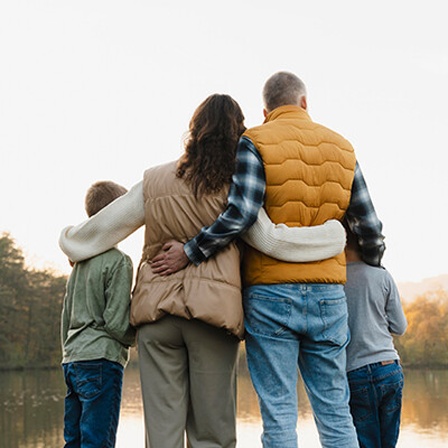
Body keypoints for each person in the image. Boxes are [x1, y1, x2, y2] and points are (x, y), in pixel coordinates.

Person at [59, 93, 348, 448]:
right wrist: (334, 236)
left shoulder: (154, 180)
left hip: (157, 315)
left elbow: (106, 226)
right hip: (212, 316)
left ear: (193, 131)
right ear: (238, 132)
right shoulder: (237, 186)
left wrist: (71, 242)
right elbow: (271, 241)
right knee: (212, 434)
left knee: (162, 436)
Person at [152, 72, 386, 448]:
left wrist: (191, 251)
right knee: (335, 411)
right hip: (329, 296)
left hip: (270, 294)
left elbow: (241, 214)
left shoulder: (255, 140)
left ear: (265, 110)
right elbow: (369, 225)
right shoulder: (343, 146)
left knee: (278, 412)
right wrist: (371, 262)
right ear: (304, 102)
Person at [61, 180, 136, 448]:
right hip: (102, 360)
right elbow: (116, 323)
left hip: (72, 360)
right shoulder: (119, 262)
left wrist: (69, 351)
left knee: (74, 440)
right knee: (98, 441)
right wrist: (136, 337)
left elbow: (65, 318)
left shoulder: (78, 264)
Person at [344, 224, 407, 448]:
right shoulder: (382, 276)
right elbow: (400, 327)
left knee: (366, 443)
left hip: (354, 372)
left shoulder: (334, 281)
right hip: (388, 367)